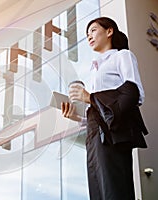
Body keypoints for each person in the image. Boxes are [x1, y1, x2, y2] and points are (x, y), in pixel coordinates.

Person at [61, 17, 148, 200]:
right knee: (98, 190)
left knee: (113, 189)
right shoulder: (94, 70)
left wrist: (90, 97)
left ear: (109, 31)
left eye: (93, 30)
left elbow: (134, 93)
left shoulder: (122, 56)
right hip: (94, 135)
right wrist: (76, 116)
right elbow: (97, 109)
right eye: (87, 34)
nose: (89, 36)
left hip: (112, 134)